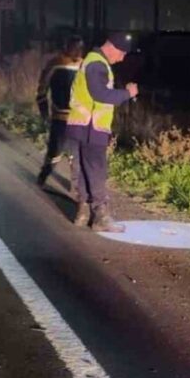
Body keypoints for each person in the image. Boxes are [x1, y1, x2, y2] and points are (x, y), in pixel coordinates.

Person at [65, 32, 139, 232]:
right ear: (112, 47)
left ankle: (83, 213)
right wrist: (127, 93)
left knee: (82, 170)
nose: (122, 58)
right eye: (122, 53)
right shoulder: (97, 64)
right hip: (92, 127)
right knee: (97, 171)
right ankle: (101, 217)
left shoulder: (91, 60)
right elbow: (100, 94)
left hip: (78, 125)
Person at [35, 34, 85, 186]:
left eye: (80, 48)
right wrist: (44, 113)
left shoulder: (85, 66)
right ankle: (43, 176)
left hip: (80, 119)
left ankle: (77, 189)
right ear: (67, 47)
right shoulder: (55, 64)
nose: (77, 51)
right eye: (74, 48)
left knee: (77, 155)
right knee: (55, 152)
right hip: (60, 118)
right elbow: (42, 91)